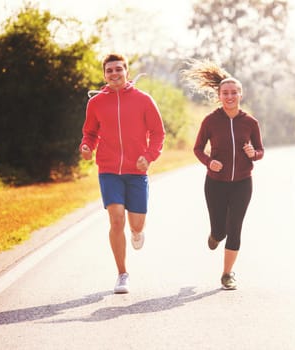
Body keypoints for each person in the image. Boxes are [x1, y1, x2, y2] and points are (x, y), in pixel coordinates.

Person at [79, 53, 165, 294]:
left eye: (118, 69)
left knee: (136, 224)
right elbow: (90, 133)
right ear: (104, 75)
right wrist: (86, 147)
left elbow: (158, 133)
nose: (114, 74)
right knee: (116, 218)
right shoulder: (95, 103)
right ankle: (122, 274)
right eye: (109, 71)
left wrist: (148, 157)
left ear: (127, 71)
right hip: (108, 170)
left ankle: (137, 232)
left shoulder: (143, 100)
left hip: (136, 171)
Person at [181, 60, 264, 290]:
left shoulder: (250, 122)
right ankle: (215, 234)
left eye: (234, 92)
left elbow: (260, 151)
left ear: (240, 94)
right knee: (220, 229)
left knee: (235, 227)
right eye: (225, 93)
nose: (230, 96)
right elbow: (197, 149)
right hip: (215, 184)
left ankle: (227, 274)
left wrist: (253, 153)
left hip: (242, 184)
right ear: (219, 95)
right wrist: (210, 162)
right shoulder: (210, 121)